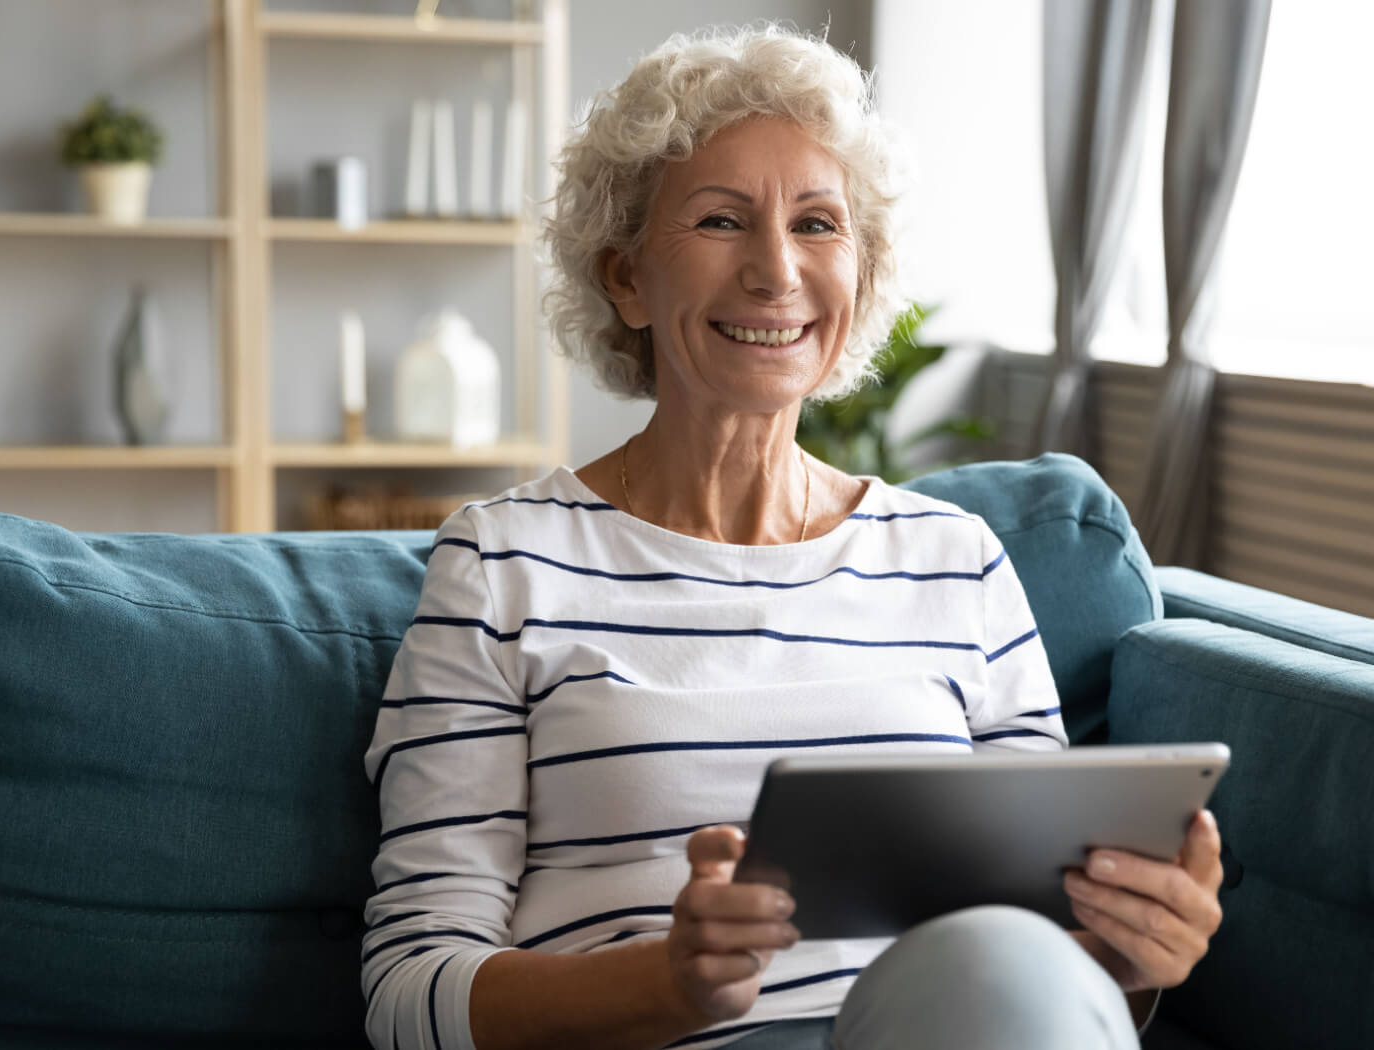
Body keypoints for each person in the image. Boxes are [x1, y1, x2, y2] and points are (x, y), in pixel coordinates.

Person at [361, 22, 1223, 1050]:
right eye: (722, 221)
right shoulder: (504, 565)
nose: (776, 273)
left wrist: (1123, 960)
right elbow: (410, 991)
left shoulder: (955, 561)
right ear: (626, 278)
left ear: (858, 276)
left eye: (818, 225)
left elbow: (1040, 965)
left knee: (1001, 962)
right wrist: (668, 987)